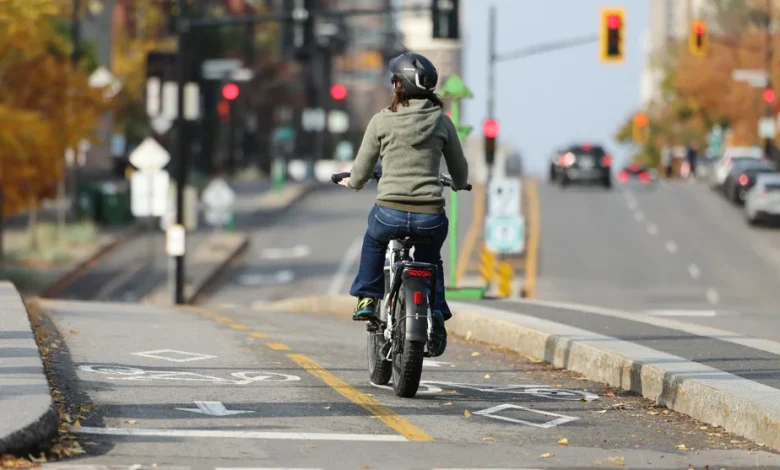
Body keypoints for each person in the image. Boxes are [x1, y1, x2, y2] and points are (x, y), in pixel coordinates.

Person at [337, 52, 469, 357]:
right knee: (430, 259)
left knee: (373, 240)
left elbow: (361, 170)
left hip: (389, 213)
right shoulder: (442, 122)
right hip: (430, 218)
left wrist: (353, 183)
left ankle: (368, 298)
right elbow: (460, 172)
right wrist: (460, 184)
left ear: (399, 85)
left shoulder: (381, 121)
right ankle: (435, 311)